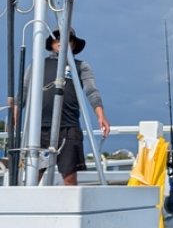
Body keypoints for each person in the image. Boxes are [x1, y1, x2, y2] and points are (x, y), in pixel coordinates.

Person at [22, 29, 110, 186]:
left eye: (67, 40)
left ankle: (68, 209)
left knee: (69, 177)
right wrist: (14, 113)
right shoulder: (38, 64)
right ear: (51, 43)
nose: (61, 42)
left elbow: (92, 91)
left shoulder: (81, 66)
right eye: (57, 39)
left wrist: (101, 115)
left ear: (73, 44)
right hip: (39, 129)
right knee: (32, 176)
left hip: (69, 128)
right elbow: (23, 92)